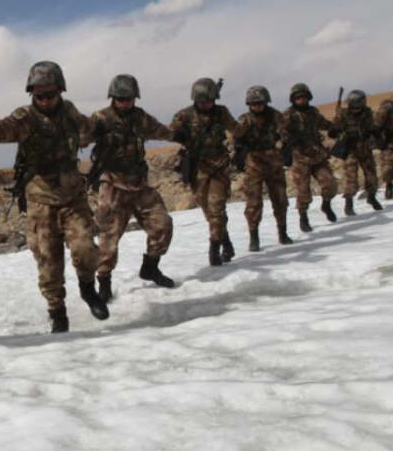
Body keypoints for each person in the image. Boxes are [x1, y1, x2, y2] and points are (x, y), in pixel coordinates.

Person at [0, 61, 108, 333]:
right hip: (40, 199)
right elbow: (3, 128)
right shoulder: (25, 118)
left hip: (73, 196)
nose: (46, 101)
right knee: (48, 262)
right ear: (31, 94)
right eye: (39, 96)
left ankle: (88, 289)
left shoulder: (70, 112)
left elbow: (88, 130)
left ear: (60, 91)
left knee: (85, 247)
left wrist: (105, 131)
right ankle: (57, 312)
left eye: (51, 95)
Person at [88, 74, 176, 297]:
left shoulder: (140, 117)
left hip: (139, 184)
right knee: (108, 238)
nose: (124, 103)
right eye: (120, 99)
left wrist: (180, 134)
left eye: (128, 99)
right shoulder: (100, 118)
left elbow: (161, 131)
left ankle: (150, 268)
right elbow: (79, 138)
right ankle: (104, 283)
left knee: (162, 225)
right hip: (113, 185)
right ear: (113, 97)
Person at [170, 78, 238, 266]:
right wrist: (179, 134)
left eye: (209, 101)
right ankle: (226, 241)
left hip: (219, 167)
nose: (206, 105)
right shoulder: (184, 115)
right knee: (209, 211)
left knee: (217, 208)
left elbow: (236, 129)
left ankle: (214, 248)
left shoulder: (221, 112)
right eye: (202, 102)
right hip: (197, 169)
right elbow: (170, 132)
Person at [232, 86, 293, 252]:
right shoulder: (245, 119)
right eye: (254, 104)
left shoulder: (275, 115)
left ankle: (282, 232)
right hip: (254, 163)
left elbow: (285, 132)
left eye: (260, 103)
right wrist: (239, 150)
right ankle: (254, 237)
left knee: (280, 199)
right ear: (249, 104)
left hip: (274, 162)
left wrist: (286, 146)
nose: (258, 107)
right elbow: (237, 136)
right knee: (254, 202)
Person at [281, 82, 338, 233]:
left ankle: (326, 205)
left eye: (304, 97)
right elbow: (281, 131)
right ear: (293, 99)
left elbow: (324, 124)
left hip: (317, 155)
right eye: (298, 98)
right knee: (303, 191)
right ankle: (303, 216)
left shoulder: (313, 112)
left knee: (330, 184)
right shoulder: (288, 115)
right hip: (300, 158)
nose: (301, 100)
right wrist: (289, 140)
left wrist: (334, 128)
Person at [331, 89, 383, 215]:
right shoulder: (343, 114)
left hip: (364, 148)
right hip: (350, 149)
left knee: (372, 176)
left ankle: (371, 197)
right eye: (352, 105)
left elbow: (372, 127)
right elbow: (334, 130)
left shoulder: (367, 113)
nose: (355, 108)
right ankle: (349, 204)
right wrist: (335, 129)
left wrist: (377, 135)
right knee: (351, 178)